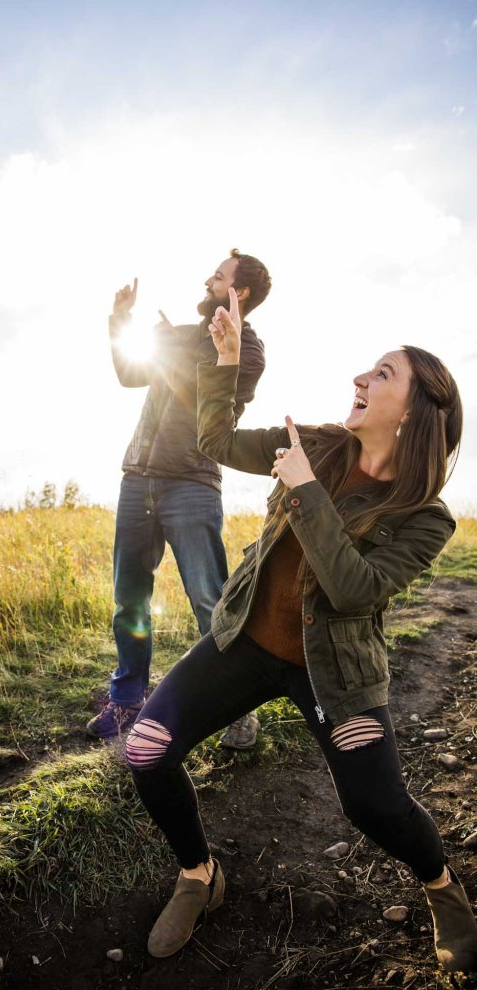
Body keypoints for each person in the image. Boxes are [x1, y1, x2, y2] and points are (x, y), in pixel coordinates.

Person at [124, 288, 477, 973]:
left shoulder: (425, 516)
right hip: (245, 643)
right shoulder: (313, 442)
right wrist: (225, 363)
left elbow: (353, 590)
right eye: (368, 368)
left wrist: (308, 490)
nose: (360, 378)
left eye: (383, 374)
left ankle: (442, 886)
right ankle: (200, 874)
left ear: (417, 412)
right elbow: (216, 439)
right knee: (146, 749)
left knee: (377, 809)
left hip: (334, 673)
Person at [87, 251, 271, 748]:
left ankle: (237, 707)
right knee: (129, 598)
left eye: (219, 276)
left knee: (210, 600)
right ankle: (126, 699)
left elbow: (215, 396)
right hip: (137, 478)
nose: (208, 279)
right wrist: (121, 320)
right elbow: (130, 374)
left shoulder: (247, 349)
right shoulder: (186, 335)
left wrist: (184, 344)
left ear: (240, 293)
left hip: (191, 481)